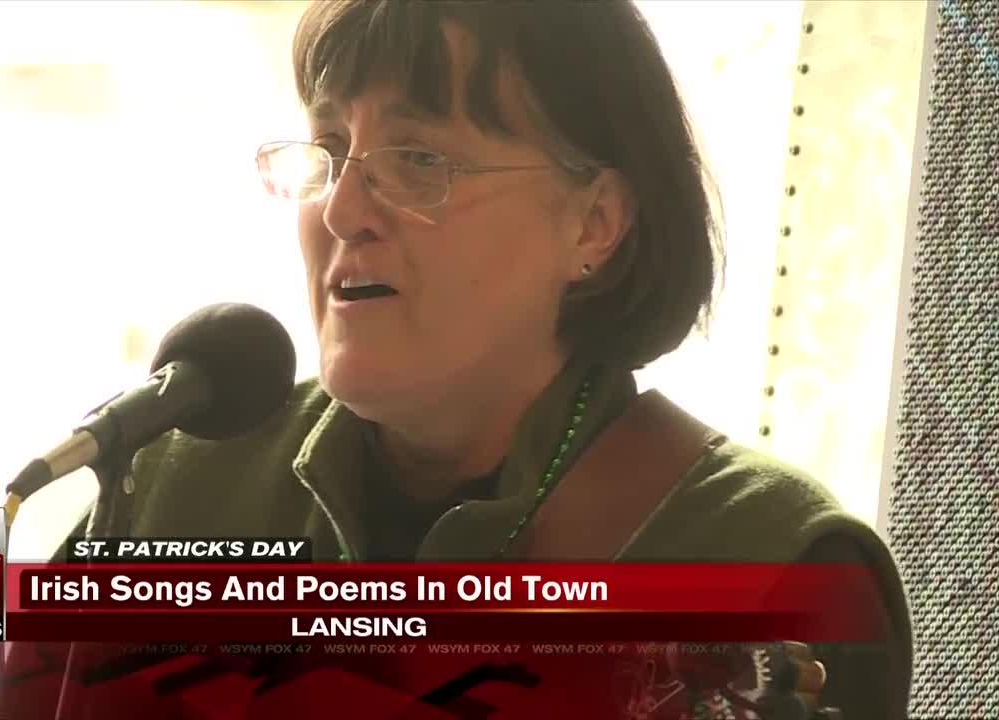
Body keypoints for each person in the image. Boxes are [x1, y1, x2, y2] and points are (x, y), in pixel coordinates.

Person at [48, 1, 912, 718]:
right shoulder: (175, 481)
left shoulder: (769, 563)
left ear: (593, 224)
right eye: (331, 149)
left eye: (418, 158)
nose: (344, 208)